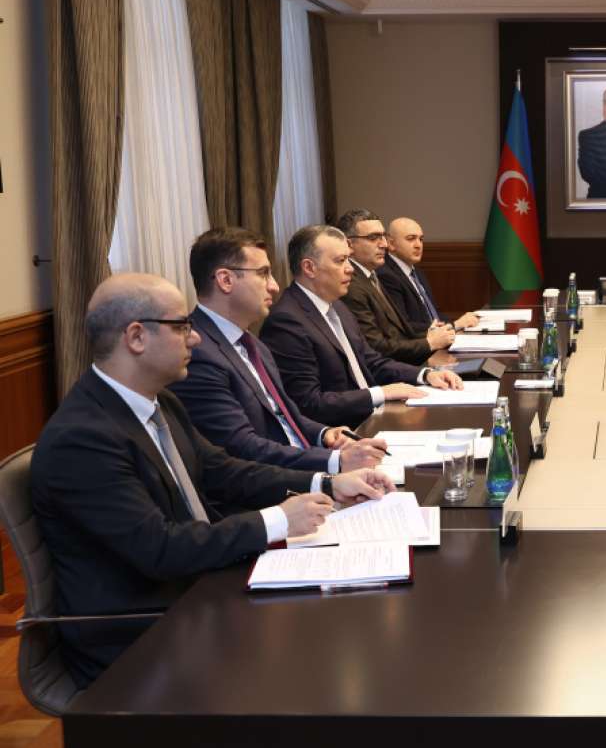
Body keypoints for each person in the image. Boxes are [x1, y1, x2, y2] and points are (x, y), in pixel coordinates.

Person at [30, 273, 394, 688]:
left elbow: (224, 470)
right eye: (181, 326)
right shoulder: (83, 438)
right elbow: (159, 548)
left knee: (347, 619)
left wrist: (326, 483)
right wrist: (278, 520)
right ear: (136, 337)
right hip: (140, 638)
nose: (196, 338)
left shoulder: (160, 402)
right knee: (323, 656)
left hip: (198, 588)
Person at [171, 227, 388, 474]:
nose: (274, 286)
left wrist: (325, 434)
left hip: (304, 466)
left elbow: (284, 416)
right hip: (273, 484)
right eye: (263, 273)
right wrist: (334, 462)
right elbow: (242, 447)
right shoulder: (197, 353)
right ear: (225, 280)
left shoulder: (253, 344)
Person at [259, 225, 463, 427]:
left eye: (348, 259)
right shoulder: (286, 321)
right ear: (309, 268)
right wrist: (381, 393)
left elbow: (371, 361)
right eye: (340, 261)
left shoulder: (338, 306)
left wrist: (425, 375)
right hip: (346, 432)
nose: (350, 268)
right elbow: (309, 403)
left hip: (375, 416)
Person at [336, 208, 451, 363]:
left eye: (383, 236)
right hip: (389, 370)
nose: (384, 244)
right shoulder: (350, 285)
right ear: (349, 245)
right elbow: (376, 347)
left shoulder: (371, 275)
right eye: (373, 238)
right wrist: (429, 343)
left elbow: (398, 332)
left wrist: (431, 335)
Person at [379, 216, 480, 335]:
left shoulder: (416, 271)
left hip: (438, 338)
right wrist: (455, 325)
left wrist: (456, 327)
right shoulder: (387, 275)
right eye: (411, 239)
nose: (418, 245)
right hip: (420, 343)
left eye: (421, 239)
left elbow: (434, 315)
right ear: (391, 244)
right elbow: (403, 326)